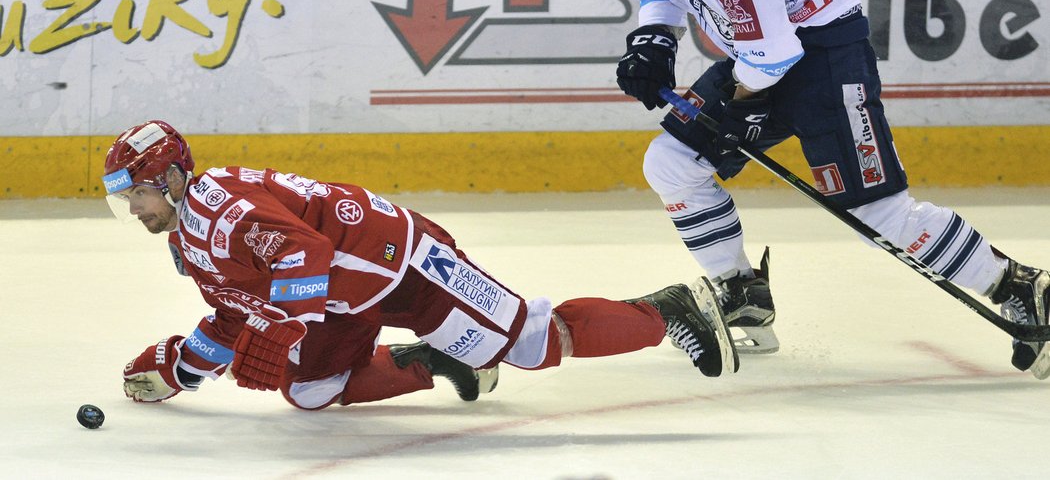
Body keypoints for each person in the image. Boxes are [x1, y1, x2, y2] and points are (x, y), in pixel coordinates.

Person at [608, 0, 1049, 377]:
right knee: (672, 161)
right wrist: (651, 42)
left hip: (822, 60)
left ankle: (1022, 286)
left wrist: (733, 105)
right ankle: (742, 295)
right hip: (772, 58)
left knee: (878, 212)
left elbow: (773, 55)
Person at [103, 121, 739, 410]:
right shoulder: (189, 235)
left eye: (137, 193)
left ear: (173, 178)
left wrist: (282, 327)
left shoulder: (223, 207)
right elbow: (235, 309)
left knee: (533, 343)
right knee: (310, 389)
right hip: (341, 295)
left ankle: (665, 310)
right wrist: (183, 369)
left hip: (405, 264)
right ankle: (441, 361)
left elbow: (305, 255)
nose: (132, 208)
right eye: (125, 198)